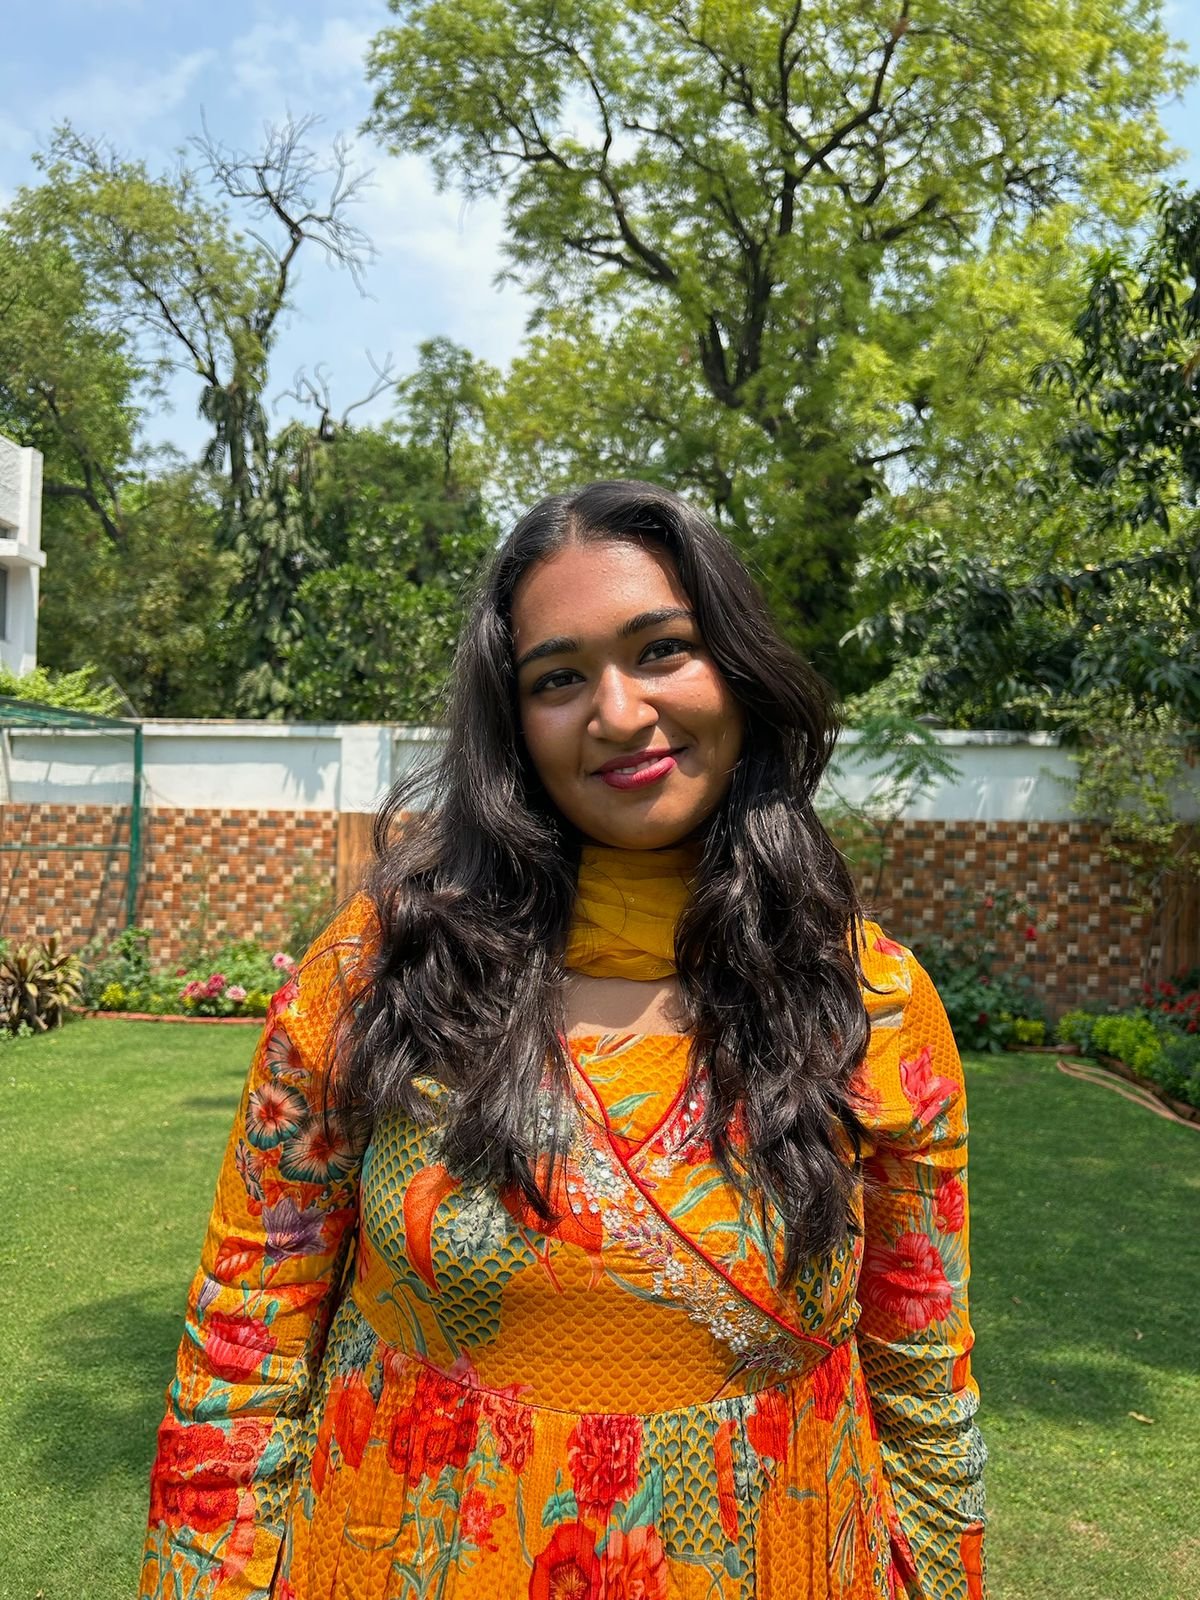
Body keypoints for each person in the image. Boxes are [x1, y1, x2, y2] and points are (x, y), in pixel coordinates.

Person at [140, 480, 986, 1600]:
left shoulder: (864, 1003)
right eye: (559, 677)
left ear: (735, 669)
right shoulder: (384, 975)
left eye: (663, 649)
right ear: (512, 722)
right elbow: (241, 1348)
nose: (621, 711)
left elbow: (924, 1378)